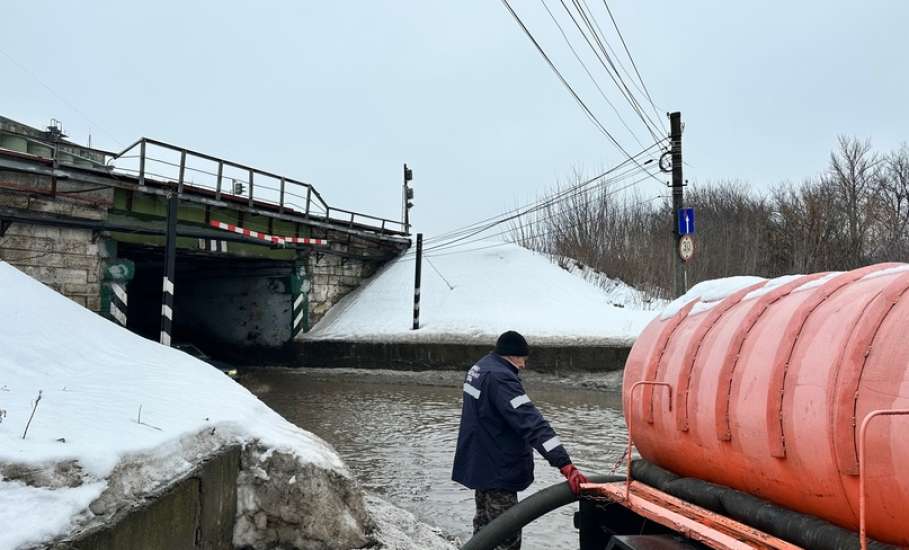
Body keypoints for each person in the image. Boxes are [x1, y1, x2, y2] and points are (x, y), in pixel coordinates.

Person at [452, 330, 589, 550]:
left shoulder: (480, 367)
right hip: (498, 470)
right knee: (505, 535)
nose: (523, 366)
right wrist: (564, 463)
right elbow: (531, 422)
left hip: (480, 465)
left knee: (484, 530)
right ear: (511, 355)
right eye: (523, 360)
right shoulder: (501, 379)